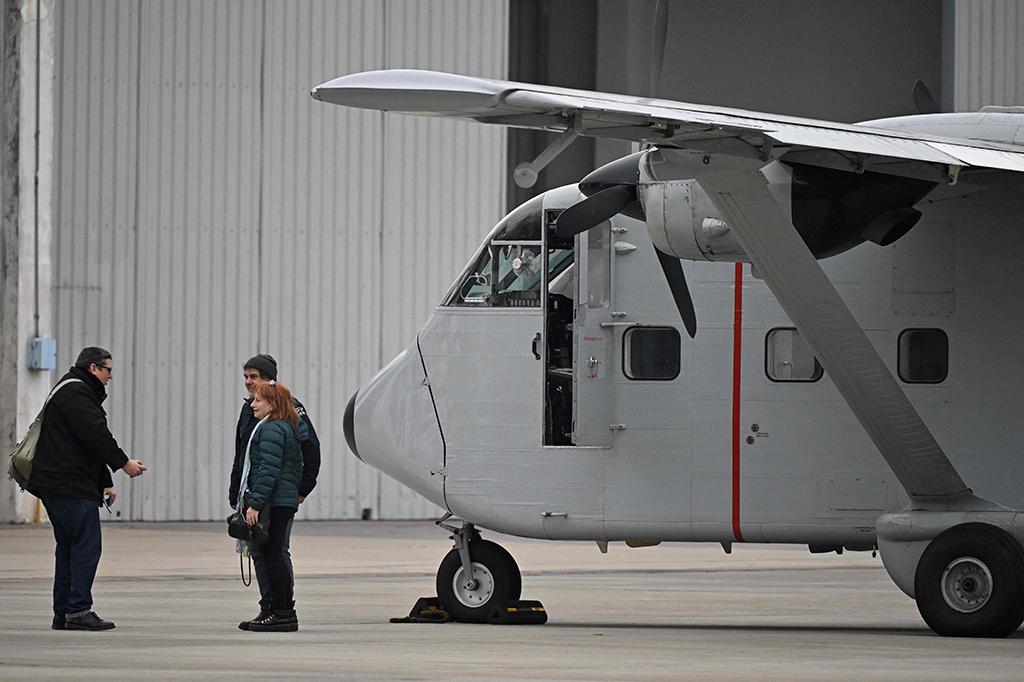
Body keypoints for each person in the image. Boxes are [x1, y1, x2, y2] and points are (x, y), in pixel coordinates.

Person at [27, 347, 147, 631]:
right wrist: (123, 463)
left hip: (57, 483)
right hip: (68, 484)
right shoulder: (77, 393)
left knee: (68, 546)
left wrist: (104, 479)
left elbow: (82, 443)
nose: (111, 376)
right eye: (107, 369)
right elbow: (96, 434)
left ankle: (64, 612)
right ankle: (78, 609)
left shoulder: (70, 390)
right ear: (93, 368)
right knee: (86, 545)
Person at [228, 354, 320, 630]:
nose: (247, 383)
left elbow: (307, 451)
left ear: (270, 380)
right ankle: (270, 606)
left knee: (276, 551)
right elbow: (243, 455)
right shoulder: (252, 410)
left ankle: (282, 609)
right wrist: (238, 493)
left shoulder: (285, 411)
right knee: (260, 550)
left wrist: (302, 488)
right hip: (258, 494)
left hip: (273, 496)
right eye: (245, 377)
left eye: (253, 377)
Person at [240, 380, 308, 631]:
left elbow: (267, 470)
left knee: (272, 556)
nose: (252, 404)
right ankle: (282, 611)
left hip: (274, 502)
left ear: (272, 404)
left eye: (258, 400)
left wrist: (255, 504)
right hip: (284, 500)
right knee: (275, 554)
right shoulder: (287, 427)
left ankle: (282, 613)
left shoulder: (270, 429)